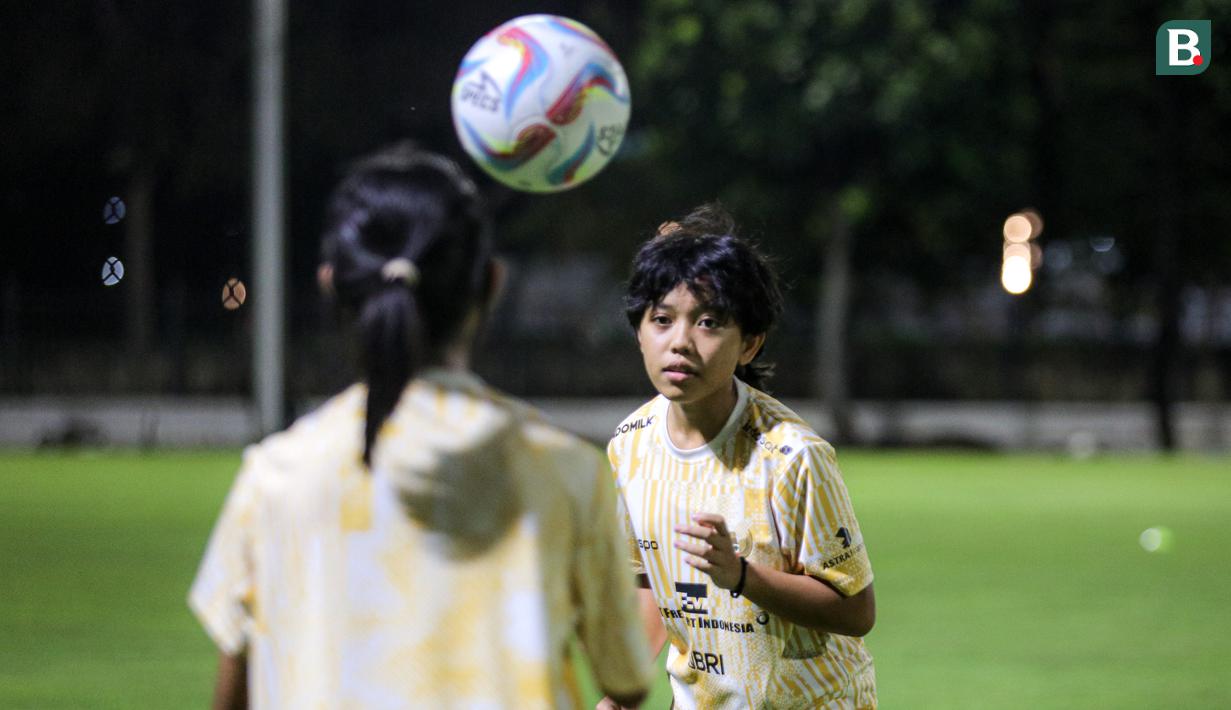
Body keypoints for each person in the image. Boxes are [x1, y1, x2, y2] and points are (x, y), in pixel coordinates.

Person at [189, 143, 651, 709]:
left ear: (332, 283)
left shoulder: (275, 476)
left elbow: (231, 697)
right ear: (491, 284)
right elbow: (627, 679)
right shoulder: (565, 470)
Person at [600, 204, 876, 709]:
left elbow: (855, 610)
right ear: (639, 331)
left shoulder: (793, 456)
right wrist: (622, 693)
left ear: (749, 344)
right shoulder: (630, 444)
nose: (680, 342)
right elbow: (646, 577)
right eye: (661, 319)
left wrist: (741, 575)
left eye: (708, 322)